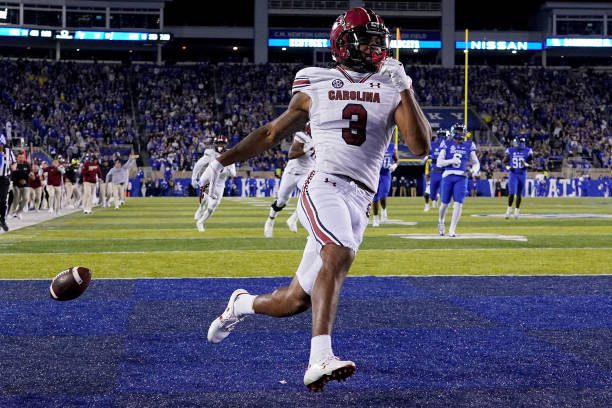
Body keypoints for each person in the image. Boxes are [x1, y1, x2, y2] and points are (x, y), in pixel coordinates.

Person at [199, 7, 430, 391]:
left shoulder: (392, 84)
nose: (376, 46)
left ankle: (239, 304)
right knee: (338, 253)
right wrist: (222, 160)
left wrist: (404, 85)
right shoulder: (316, 81)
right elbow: (272, 133)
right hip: (323, 183)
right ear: (343, 44)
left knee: (294, 301)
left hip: (359, 199)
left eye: (379, 39)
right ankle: (320, 357)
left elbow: (420, 146)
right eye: (367, 39)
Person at [264, 124, 315, 237]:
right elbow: (291, 155)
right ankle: (270, 221)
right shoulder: (301, 136)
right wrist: (306, 148)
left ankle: (293, 219)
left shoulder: (322, 139)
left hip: (306, 173)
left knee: (310, 197)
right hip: (292, 172)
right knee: (281, 201)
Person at [437, 123, 479, 237]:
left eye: (462, 131)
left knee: (458, 203)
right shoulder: (446, 143)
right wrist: (451, 161)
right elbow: (439, 162)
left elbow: (476, 163)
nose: (462, 133)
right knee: (445, 204)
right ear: (454, 132)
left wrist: (473, 171)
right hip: (448, 175)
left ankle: (452, 229)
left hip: (462, 177)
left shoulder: (469, 145)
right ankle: (441, 221)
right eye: (460, 131)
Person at [191, 136, 236, 232]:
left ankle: (200, 222)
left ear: (225, 144)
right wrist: (194, 178)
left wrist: (227, 170)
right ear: (215, 143)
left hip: (219, 183)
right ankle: (201, 207)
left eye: (222, 143)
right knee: (203, 198)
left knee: (212, 207)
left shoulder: (230, 154)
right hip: (208, 177)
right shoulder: (210, 153)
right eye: (218, 143)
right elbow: (199, 164)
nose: (220, 145)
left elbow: (234, 173)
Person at [503, 136, 532, 219]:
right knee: (511, 193)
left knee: (519, 194)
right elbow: (504, 161)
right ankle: (509, 209)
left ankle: (517, 210)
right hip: (513, 173)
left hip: (522, 174)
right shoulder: (510, 150)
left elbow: (531, 164)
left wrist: (526, 165)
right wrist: (507, 167)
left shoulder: (528, 151)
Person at [371, 141, 398, 227]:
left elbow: (396, 160)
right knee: (375, 197)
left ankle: (383, 209)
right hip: (375, 174)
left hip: (385, 174)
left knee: (383, 196)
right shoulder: (373, 143)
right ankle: (375, 219)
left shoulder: (392, 146)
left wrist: (395, 165)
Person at [423, 128, 448, 212]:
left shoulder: (448, 145)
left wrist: (430, 157)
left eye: (443, 135)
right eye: (441, 135)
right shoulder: (433, 145)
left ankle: (443, 207)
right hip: (434, 172)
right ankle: (434, 200)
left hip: (444, 172)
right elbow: (429, 155)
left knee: (444, 192)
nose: (442, 137)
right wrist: (428, 157)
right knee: (431, 194)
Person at [0, 134, 16, 231]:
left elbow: (14, 162)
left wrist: (13, 166)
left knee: (2, 200)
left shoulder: (8, 151)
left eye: (1, 144)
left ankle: (2, 219)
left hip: (4, 179)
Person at [9, 152, 30, 219]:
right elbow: (12, 176)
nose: (21, 159)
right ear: (17, 158)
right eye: (20, 157)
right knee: (17, 198)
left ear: (24, 158)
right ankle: (13, 212)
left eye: (22, 157)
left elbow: (29, 175)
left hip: (25, 184)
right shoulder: (14, 165)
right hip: (16, 184)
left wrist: (29, 177)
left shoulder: (27, 166)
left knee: (26, 199)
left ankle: (19, 212)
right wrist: (19, 180)